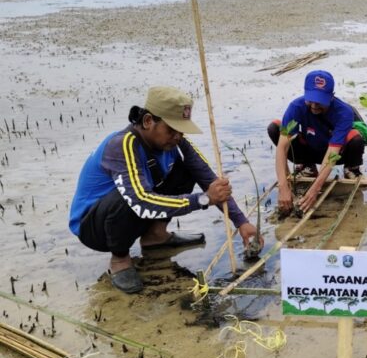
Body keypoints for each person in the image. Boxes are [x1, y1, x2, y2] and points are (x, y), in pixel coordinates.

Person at [69, 87, 261, 294]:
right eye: (171, 130)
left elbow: (210, 180)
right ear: (149, 121)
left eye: (181, 130)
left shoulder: (178, 144)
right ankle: (120, 259)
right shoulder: (123, 145)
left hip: (133, 212)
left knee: (187, 170)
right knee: (128, 196)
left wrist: (241, 221)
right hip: (95, 227)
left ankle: (156, 236)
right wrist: (204, 199)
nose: (177, 136)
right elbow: (141, 202)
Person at [268, 70, 367, 215]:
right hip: (310, 147)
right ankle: (307, 166)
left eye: (320, 101)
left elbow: (332, 154)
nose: (314, 106)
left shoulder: (343, 112)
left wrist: (315, 189)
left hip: (334, 152)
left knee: (355, 138)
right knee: (274, 128)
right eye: (311, 100)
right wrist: (284, 186)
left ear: (331, 96)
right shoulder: (296, 107)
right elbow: (282, 148)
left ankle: (351, 169)